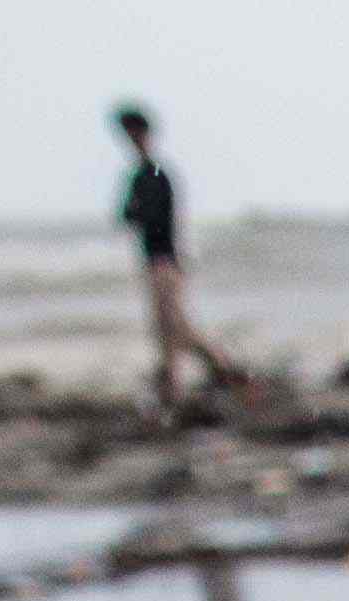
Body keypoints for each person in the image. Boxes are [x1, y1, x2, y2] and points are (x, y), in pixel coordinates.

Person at [110, 104, 240, 415]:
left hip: (164, 260)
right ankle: (182, 382)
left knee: (173, 326)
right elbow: (128, 215)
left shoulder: (154, 173)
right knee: (167, 326)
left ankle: (214, 368)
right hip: (157, 259)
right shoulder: (140, 174)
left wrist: (139, 210)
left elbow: (149, 216)